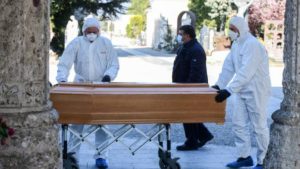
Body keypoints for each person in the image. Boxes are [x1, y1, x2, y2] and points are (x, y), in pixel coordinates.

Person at [56, 17, 119, 169]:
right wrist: (62, 80)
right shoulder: (76, 43)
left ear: (99, 31)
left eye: (94, 32)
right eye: (88, 32)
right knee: (77, 123)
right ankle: (72, 156)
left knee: (102, 125)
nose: (91, 34)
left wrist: (108, 76)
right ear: (84, 31)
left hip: (101, 87)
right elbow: (64, 63)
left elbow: (114, 64)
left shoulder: (106, 43)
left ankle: (101, 157)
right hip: (80, 88)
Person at [213, 16, 271, 169]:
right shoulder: (237, 45)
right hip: (241, 90)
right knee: (238, 124)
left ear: (241, 29)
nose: (230, 32)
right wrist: (219, 85)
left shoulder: (253, 45)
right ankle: (244, 157)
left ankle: (263, 160)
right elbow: (229, 67)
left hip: (256, 90)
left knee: (259, 126)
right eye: (230, 29)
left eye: (233, 29)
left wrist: (229, 90)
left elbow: (247, 71)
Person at [172, 25, 214, 151]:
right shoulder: (184, 47)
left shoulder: (196, 49)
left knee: (188, 114)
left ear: (188, 35)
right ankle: (204, 135)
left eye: (181, 33)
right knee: (189, 114)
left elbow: (196, 73)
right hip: (183, 86)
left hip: (192, 88)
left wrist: (188, 88)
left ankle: (192, 141)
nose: (179, 36)